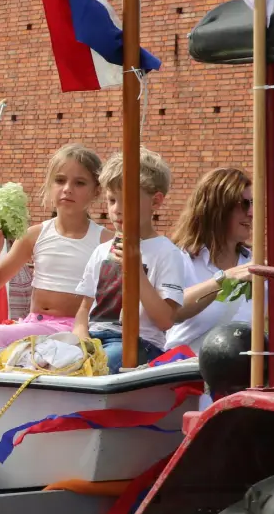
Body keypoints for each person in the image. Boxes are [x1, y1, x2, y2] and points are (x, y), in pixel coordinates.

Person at [0, 145, 108, 347]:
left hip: (73, 328)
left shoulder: (104, 240)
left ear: (96, 191)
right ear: (49, 184)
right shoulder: (35, 235)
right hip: (34, 323)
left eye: (80, 183)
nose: (67, 189)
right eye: (60, 180)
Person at [72, 148, 188, 373]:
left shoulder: (167, 252)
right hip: (95, 339)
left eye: (127, 201)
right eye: (112, 200)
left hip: (141, 344)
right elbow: (84, 309)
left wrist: (135, 271)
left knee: (107, 361)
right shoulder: (101, 251)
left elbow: (165, 320)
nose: (117, 210)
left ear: (155, 202)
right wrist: (81, 339)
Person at [166, 168, 255, 354]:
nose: (252, 212)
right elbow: (170, 312)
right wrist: (224, 279)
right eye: (244, 204)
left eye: (254, 203)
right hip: (185, 373)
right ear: (217, 208)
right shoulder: (179, 257)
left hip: (240, 374)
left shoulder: (254, 264)